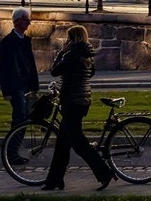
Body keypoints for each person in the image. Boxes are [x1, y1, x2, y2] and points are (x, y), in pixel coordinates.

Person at [41, 24, 114, 191]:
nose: (66, 41)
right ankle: (54, 179)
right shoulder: (87, 54)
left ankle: (104, 173)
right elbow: (91, 73)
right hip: (82, 100)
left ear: (72, 39)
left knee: (79, 143)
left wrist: (61, 52)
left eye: (68, 38)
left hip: (71, 101)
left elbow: (54, 71)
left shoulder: (72, 54)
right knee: (62, 143)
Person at [0, 8, 39, 165]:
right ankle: (12, 152)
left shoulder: (25, 41)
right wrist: (6, 91)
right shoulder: (8, 42)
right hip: (16, 86)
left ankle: (13, 151)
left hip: (26, 85)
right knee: (20, 118)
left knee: (24, 118)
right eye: (26, 19)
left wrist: (34, 85)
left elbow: (30, 65)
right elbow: (3, 68)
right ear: (17, 21)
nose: (29, 23)